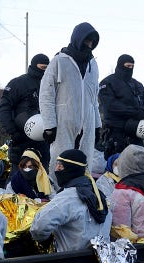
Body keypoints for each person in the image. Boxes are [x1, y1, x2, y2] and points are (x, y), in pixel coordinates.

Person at [39, 22, 102, 186]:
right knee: (60, 160)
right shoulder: (59, 61)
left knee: (85, 159)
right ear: (78, 39)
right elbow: (46, 94)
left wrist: (97, 125)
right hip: (63, 121)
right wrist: (49, 125)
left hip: (87, 123)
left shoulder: (93, 65)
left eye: (92, 42)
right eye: (86, 41)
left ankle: (83, 192)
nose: (89, 45)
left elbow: (93, 97)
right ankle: (56, 193)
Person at [30, 149, 111, 252]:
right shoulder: (99, 195)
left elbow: (38, 227)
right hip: (99, 262)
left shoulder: (68, 197)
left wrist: (44, 240)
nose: (57, 169)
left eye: (60, 165)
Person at [0, 53, 51, 174]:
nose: (45, 72)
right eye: (43, 68)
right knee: (20, 177)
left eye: (48, 69)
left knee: (43, 177)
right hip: (21, 141)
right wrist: (13, 132)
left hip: (44, 141)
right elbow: (4, 109)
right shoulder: (18, 83)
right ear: (34, 66)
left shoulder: (50, 85)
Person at [99, 55, 144, 158]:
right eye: (127, 66)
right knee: (116, 163)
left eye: (132, 66)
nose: (130, 69)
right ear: (120, 65)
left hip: (136, 131)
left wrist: (143, 111)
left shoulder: (137, 84)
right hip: (116, 132)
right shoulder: (107, 82)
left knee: (139, 161)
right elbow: (110, 105)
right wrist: (134, 112)